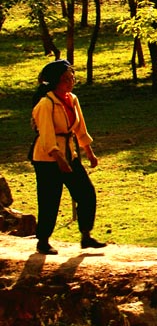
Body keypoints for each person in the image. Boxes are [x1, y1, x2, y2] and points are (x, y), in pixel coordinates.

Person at [29, 59, 108, 255]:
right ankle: (43, 240)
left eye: (72, 78)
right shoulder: (45, 103)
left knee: (86, 193)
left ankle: (86, 235)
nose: (70, 82)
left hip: (69, 154)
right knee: (49, 198)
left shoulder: (72, 99)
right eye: (66, 79)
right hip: (47, 159)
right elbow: (46, 134)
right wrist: (58, 158)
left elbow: (80, 129)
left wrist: (89, 152)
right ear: (55, 81)